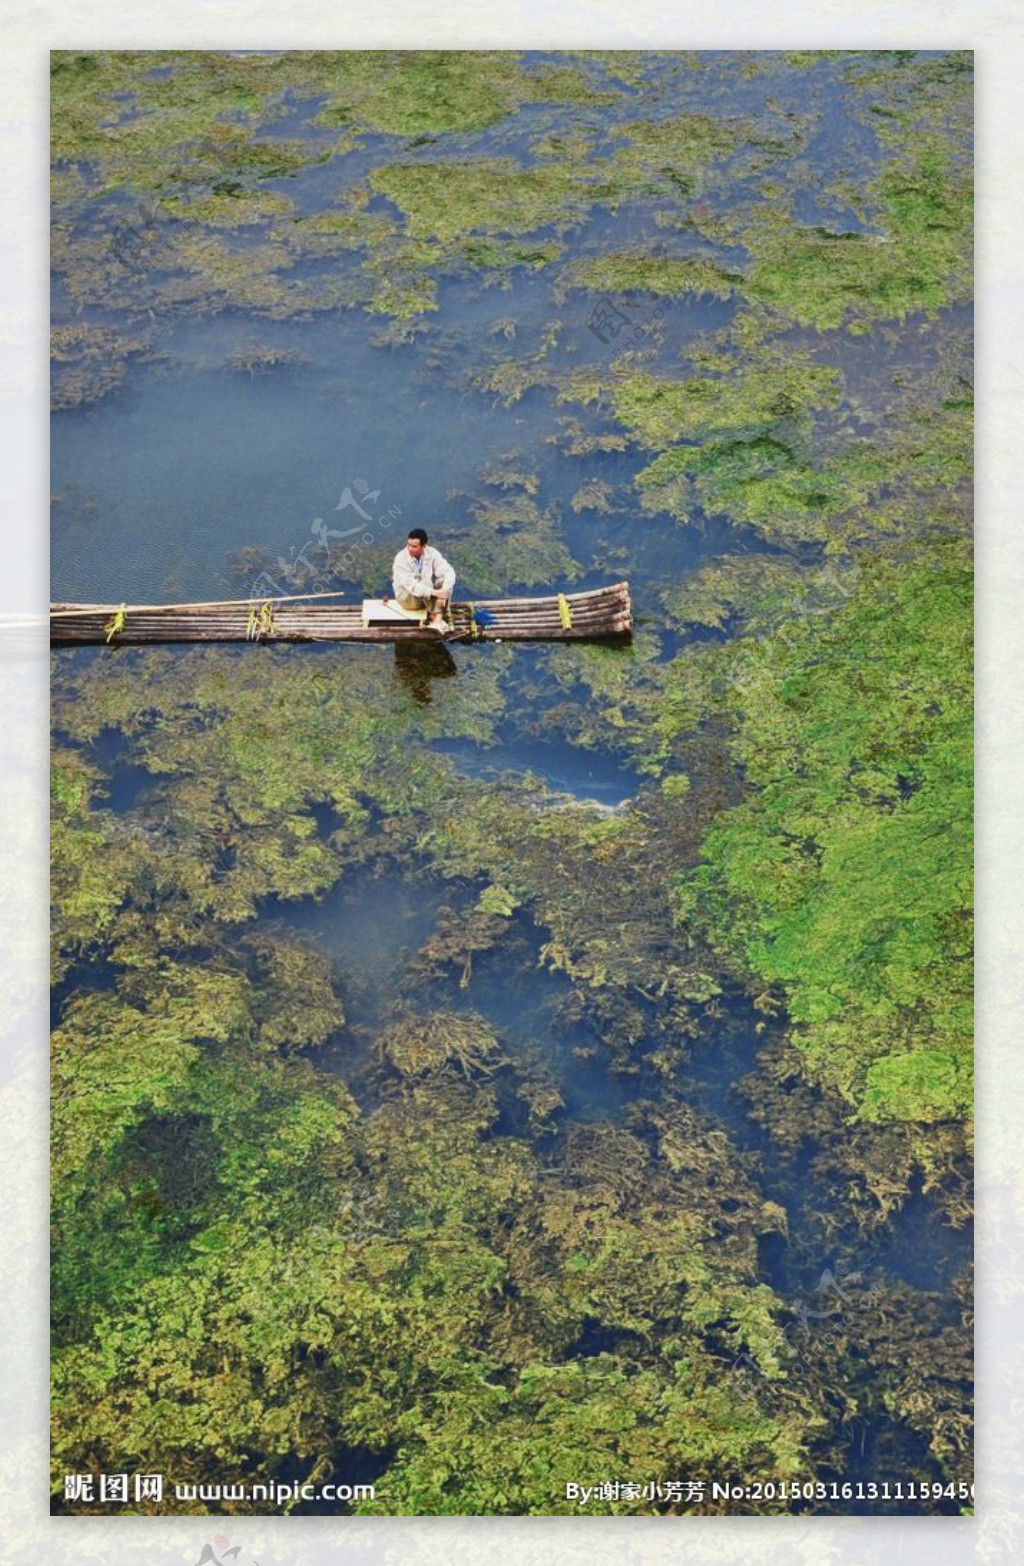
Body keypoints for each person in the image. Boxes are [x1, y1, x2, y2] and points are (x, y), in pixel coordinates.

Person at [391, 529, 456, 633]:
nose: (410, 549)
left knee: (443, 580)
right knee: (423, 584)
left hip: (425, 597)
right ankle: (437, 617)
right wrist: (436, 593)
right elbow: (412, 586)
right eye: (408, 545)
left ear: (424, 546)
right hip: (407, 598)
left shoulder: (432, 553)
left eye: (414, 546)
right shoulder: (400, 559)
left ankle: (437, 619)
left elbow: (449, 572)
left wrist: (444, 591)